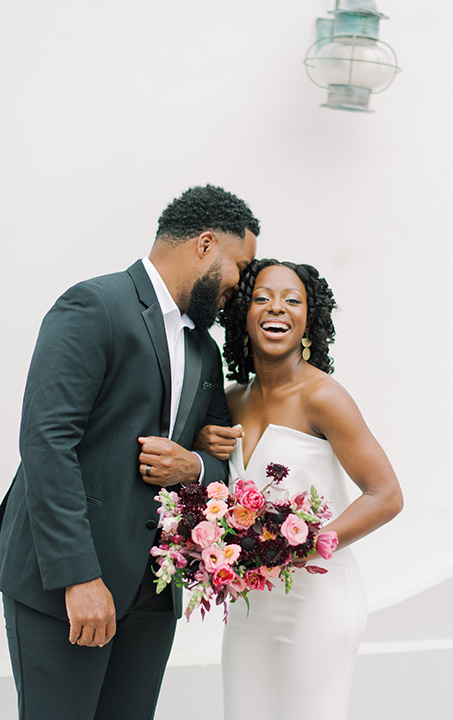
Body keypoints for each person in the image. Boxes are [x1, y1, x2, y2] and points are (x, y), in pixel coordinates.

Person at [0, 184, 258, 720]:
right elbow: (47, 442)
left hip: (152, 592)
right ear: (205, 245)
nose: (241, 284)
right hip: (68, 582)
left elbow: (214, 461)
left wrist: (195, 465)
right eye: (240, 265)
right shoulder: (94, 304)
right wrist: (79, 577)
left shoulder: (204, 350)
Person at [194, 258, 403, 720]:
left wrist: (305, 546)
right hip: (249, 607)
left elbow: (386, 495)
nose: (277, 309)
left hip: (318, 604)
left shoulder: (323, 397)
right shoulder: (230, 401)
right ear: (243, 316)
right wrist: (205, 442)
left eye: (293, 301)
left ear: (309, 320)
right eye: (262, 298)